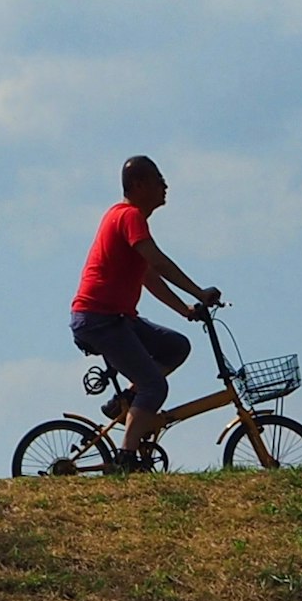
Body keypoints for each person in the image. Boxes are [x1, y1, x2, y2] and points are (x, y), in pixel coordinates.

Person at [70, 153, 216, 467]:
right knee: (155, 385)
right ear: (139, 185)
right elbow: (160, 262)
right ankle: (126, 456)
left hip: (117, 318)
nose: (165, 186)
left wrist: (185, 309)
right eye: (158, 180)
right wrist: (199, 291)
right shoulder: (128, 216)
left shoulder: (129, 220)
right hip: (99, 319)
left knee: (176, 346)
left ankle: (126, 402)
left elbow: (148, 275)